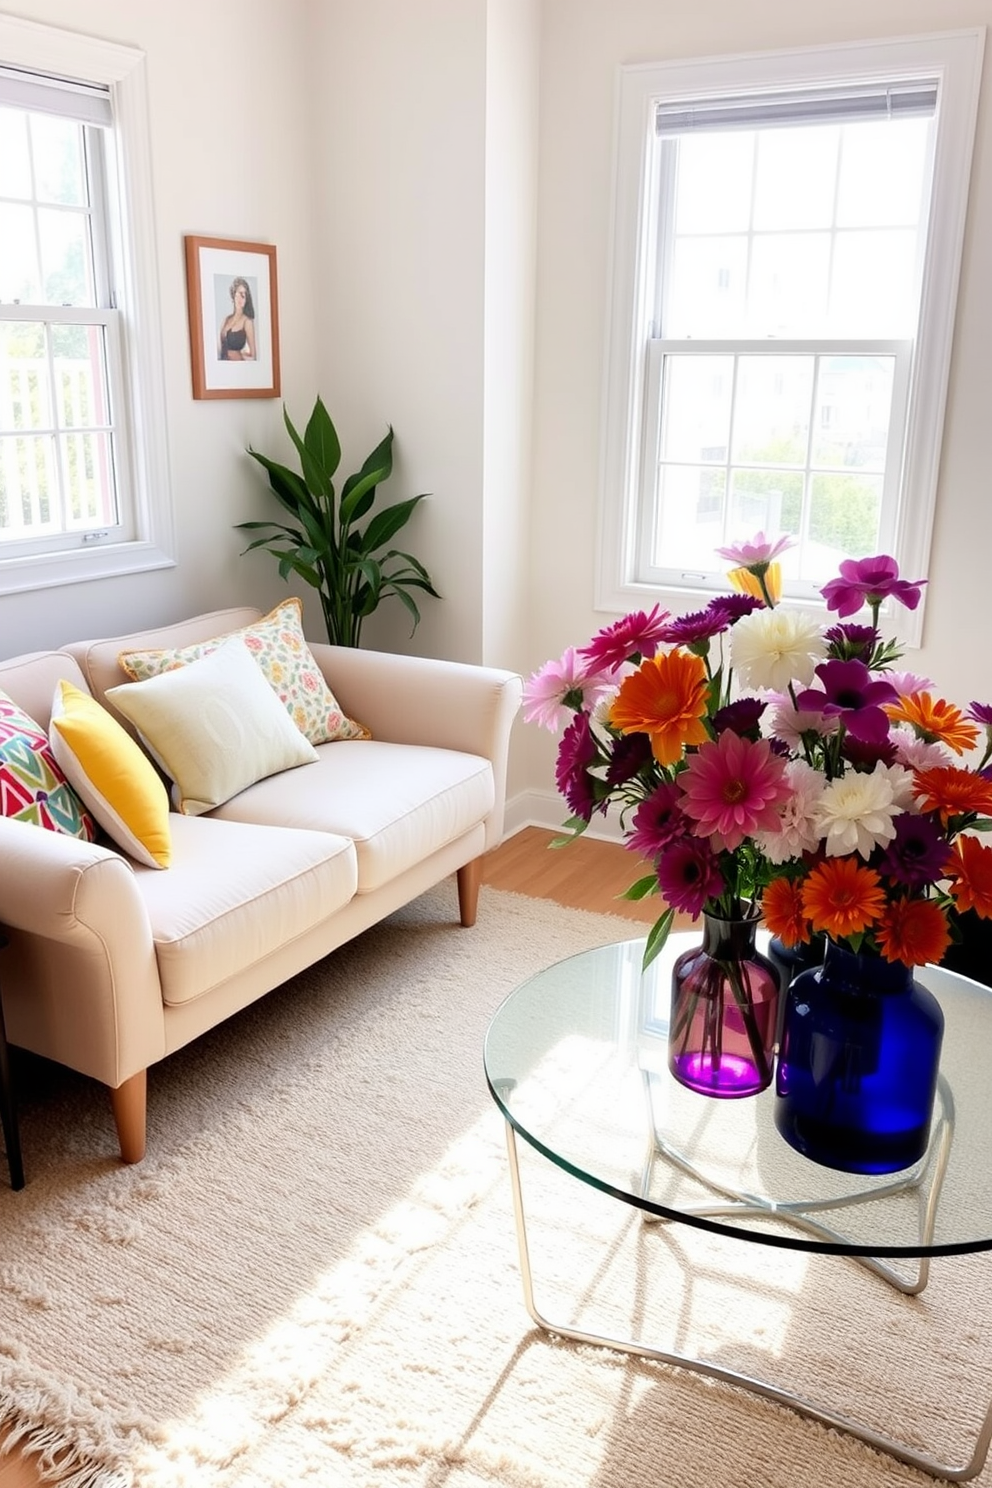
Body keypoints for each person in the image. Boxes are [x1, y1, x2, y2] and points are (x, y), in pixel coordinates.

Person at [218, 276, 256, 361]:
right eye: (239, 294)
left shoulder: (247, 321)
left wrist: (240, 356)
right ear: (233, 295)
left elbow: (253, 356)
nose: (240, 298)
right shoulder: (226, 319)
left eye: (243, 296)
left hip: (237, 368)